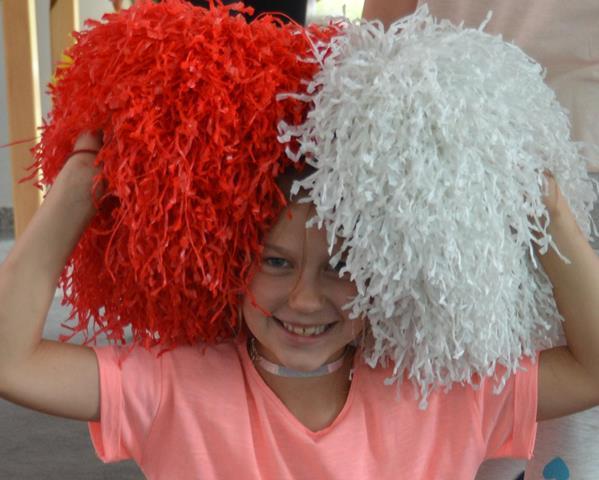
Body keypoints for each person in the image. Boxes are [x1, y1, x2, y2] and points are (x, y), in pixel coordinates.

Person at [0, 119, 598, 479]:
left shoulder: (441, 391)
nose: (305, 299)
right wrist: (77, 189)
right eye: (275, 262)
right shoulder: (173, 386)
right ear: (230, 265)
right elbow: (12, 364)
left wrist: (548, 211)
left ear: (390, 273)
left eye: (341, 268)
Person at [362, 1, 599, 479]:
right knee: (443, 407)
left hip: (560, 168)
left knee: (548, 431)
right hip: (434, 157)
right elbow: (380, 33)